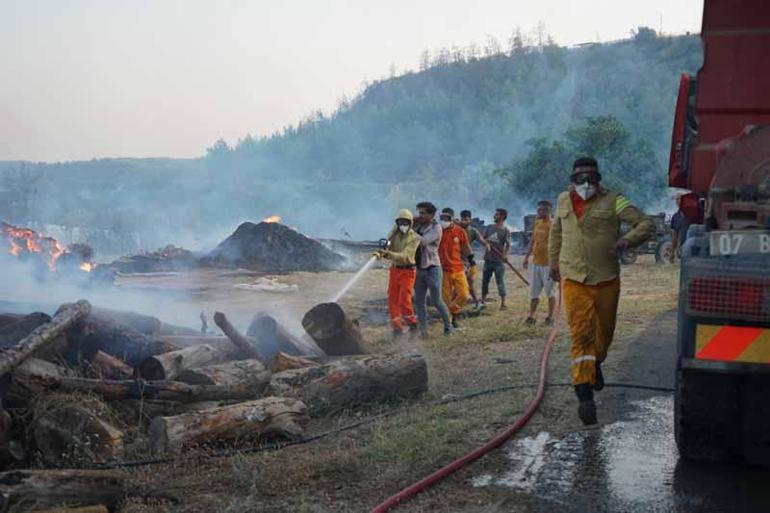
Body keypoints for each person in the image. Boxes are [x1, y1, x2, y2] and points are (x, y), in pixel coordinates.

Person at [549, 157, 654, 425]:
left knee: (603, 334)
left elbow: (645, 223)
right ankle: (584, 394)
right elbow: (556, 234)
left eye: (591, 178)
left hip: (606, 278)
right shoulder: (563, 200)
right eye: (580, 179)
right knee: (580, 334)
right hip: (573, 278)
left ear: (599, 178)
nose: (585, 184)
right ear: (572, 180)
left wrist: (626, 241)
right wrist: (552, 263)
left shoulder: (614, 200)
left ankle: (596, 363)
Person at [377, 209, 421, 340]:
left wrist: (388, 254)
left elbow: (405, 257)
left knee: (404, 301)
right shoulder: (395, 235)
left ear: (411, 223)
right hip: (395, 270)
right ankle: (397, 328)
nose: (403, 225)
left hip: (408, 271)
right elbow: (387, 245)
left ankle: (412, 325)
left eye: (405, 222)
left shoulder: (415, 238)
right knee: (392, 300)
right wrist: (382, 251)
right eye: (400, 222)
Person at [413, 202, 453, 336]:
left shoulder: (437, 228)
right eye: (419, 213)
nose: (421, 215)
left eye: (423, 213)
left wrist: (409, 230)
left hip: (432, 268)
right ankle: (423, 331)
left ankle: (448, 326)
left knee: (436, 301)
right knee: (419, 301)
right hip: (419, 267)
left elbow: (423, 241)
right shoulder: (418, 224)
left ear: (431, 214)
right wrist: (410, 221)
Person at [523, 200, 556, 326]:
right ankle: (531, 317)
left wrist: (556, 264)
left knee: (550, 292)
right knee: (534, 292)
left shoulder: (553, 225)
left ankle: (550, 317)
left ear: (549, 211)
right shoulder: (537, 223)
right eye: (538, 210)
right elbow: (532, 241)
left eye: (542, 210)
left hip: (548, 264)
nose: (539, 212)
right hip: (536, 263)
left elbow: (559, 244)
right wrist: (527, 257)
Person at [438, 208, 472, 328]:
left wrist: (471, 261)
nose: (443, 221)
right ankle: (450, 323)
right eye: (441, 218)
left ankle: (453, 311)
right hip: (443, 270)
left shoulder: (460, 232)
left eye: (446, 218)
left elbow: (466, 247)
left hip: (458, 268)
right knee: (445, 298)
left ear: (452, 218)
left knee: (464, 294)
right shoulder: (437, 231)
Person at [481, 208, 511, 310]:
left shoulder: (505, 231)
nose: (494, 216)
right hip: (488, 260)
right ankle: (482, 301)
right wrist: (486, 243)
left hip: (498, 261)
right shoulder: (489, 228)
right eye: (495, 214)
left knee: (500, 282)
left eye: (497, 215)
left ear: (502, 216)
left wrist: (505, 255)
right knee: (485, 281)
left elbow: (508, 245)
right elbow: (483, 239)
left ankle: (503, 304)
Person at [458, 210, 486, 310]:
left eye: (466, 219)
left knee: (469, 282)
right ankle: (452, 305)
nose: (464, 221)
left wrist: (487, 245)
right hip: (457, 260)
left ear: (470, 220)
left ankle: (477, 303)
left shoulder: (473, 231)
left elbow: (482, 241)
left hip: (468, 260)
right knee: (461, 283)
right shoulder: (456, 228)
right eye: (462, 219)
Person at [669, 194, 691, 262]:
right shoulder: (675, 217)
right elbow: (674, 236)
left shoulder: (693, 215)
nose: (679, 201)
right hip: (683, 249)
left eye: (681, 199)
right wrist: (672, 252)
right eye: (677, 199)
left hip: (693, 247)